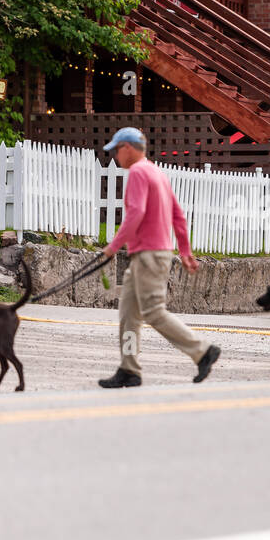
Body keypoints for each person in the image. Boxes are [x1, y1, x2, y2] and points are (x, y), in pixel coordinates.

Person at [96, 127, 220, 388]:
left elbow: (136, 213)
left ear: (127, 148)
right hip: (151, 254)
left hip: (149, 255)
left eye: (116, 150)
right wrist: (185, 252)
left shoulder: (139, 172)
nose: (116, 157)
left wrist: (112, 247)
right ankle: (129, 370)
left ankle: (202, 350)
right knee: (128, 314)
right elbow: (178, 215)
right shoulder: (157, 173)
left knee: (153, 312)